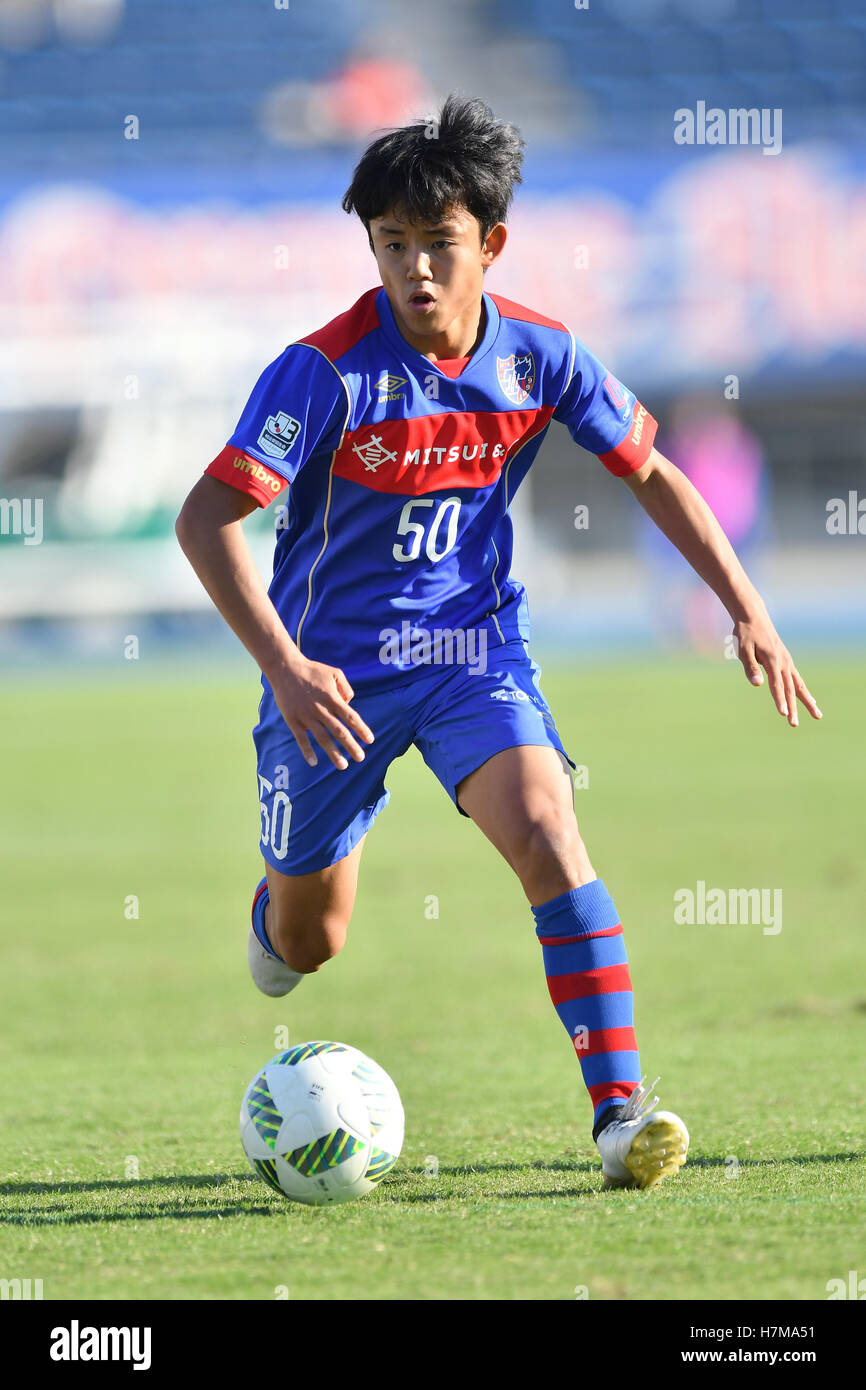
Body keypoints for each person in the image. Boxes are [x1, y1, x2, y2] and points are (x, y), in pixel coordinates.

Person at [175, 95, 821, 1191]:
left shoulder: (541, 354)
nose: (414, 268)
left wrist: (742, 605)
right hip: (329, 681)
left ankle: (620, 1115)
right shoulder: (322, 371)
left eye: (438, 243)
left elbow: (651, 471)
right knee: (309, 940)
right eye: (391, 245)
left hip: (472, 654)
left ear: (491, 243)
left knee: (548, 837)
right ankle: (274, 917)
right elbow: (208, 518)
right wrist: (284, 666)